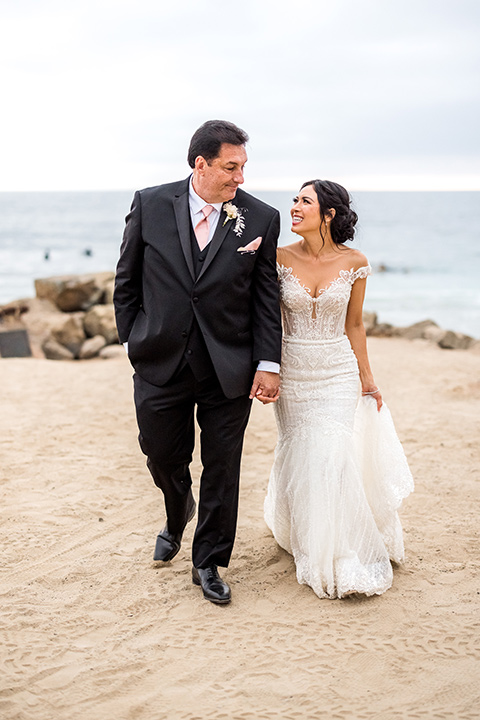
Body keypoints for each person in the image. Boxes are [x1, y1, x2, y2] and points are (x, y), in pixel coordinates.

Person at [114, 120, 282, 605]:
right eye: (231, 167)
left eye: (244, 167)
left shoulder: (261, 219)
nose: (240, 179)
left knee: (223, 466)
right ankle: (176, 508)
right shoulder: (149, 203)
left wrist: (268, 362)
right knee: (161, 453)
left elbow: (265, 300)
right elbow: (126, 280)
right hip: (159, 359)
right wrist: (134, 338)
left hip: (229, 364)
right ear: (200, 164)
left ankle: (208, 560)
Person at [264, 179, 413, 599]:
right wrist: (266, 368)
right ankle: (305, 532)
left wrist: (368, 378)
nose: (294, 207)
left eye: (304, 202)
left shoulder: (355, 262)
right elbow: (266, 320)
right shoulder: (276, 258)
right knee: (299, 451)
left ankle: (340, 549)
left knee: (332, 453)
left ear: (328, 214)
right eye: (295, 200)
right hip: (292, 371)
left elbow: (355, 325)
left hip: (337, 371)